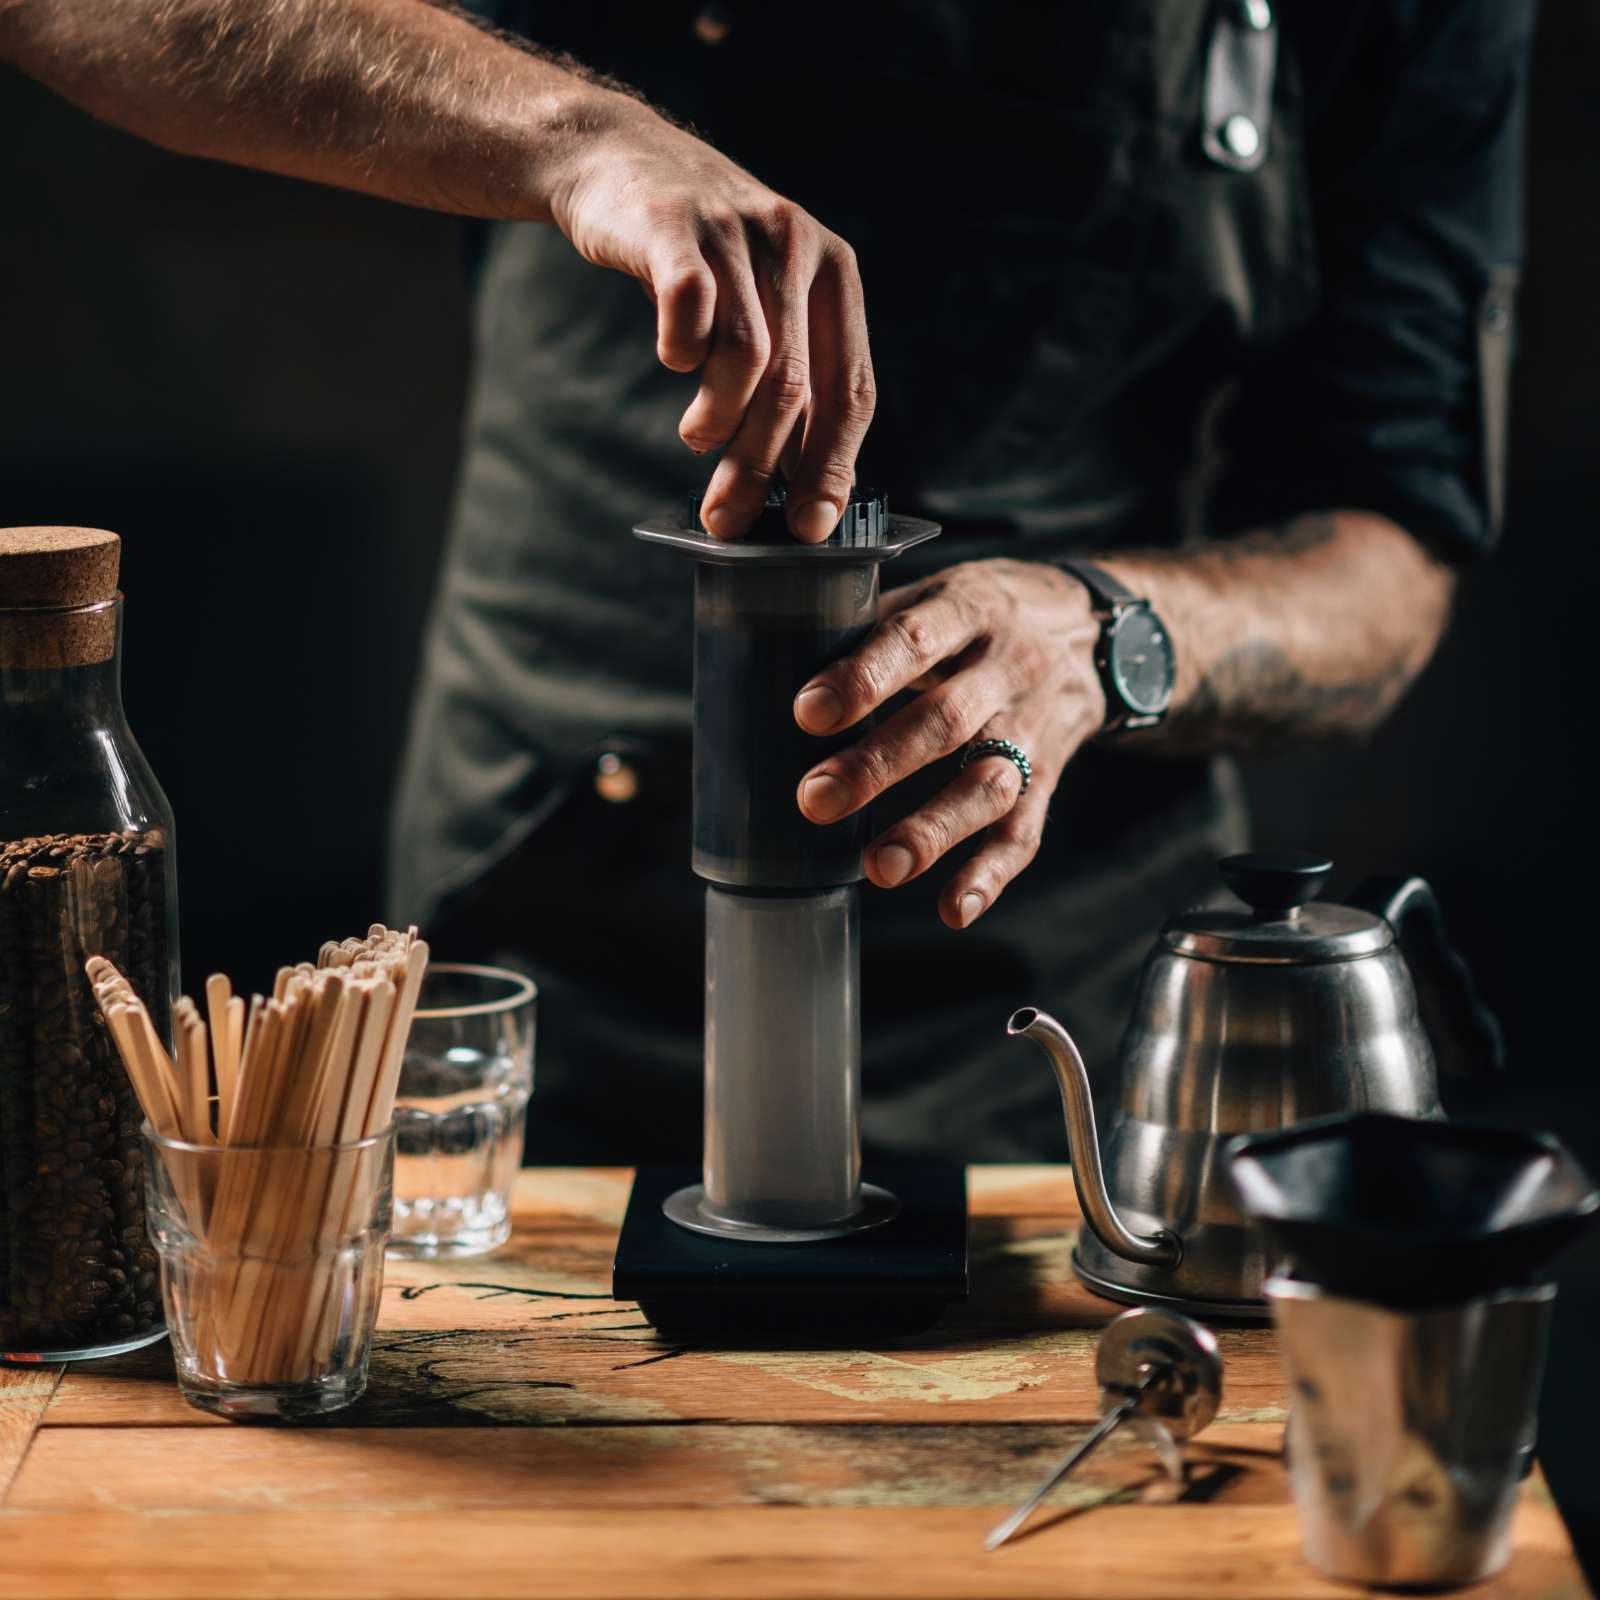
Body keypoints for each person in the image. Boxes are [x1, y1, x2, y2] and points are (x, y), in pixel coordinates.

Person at [1, 1, 1533, 1159]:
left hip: (1050, 1004)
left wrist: (1105, 634)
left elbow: (1386, 558)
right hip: (535, 939)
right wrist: (571, 136)